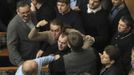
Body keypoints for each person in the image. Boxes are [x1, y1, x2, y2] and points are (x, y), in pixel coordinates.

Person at [7, 1, 40, 66]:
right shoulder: (13, 25)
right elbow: (12, 46)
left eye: (27, 11)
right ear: (17, 12)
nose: (26, 14)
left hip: (35, 56)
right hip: (23, 59)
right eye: (23, 13)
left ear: (30, 9)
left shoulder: (33, 15)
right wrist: (21, 63)